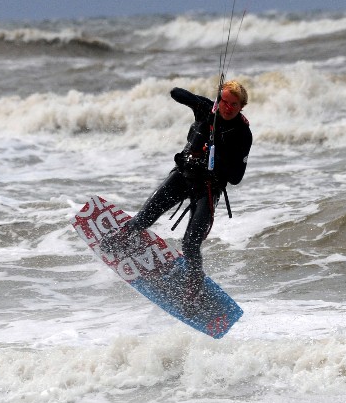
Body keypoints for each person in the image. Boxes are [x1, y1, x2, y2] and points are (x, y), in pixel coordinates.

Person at [102, 79, 252, 304]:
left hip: (208, 190)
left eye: (234, 104)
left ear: (241, 107)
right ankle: (121, 240)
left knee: (191, 243)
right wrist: (203, 103)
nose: (228, 107)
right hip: (182, 178)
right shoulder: (206, 109)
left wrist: (218, 154)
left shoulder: (242, 133)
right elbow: (176, 93)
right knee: (143, 218)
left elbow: (237, 178)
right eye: (224, 101)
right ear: (219, 99)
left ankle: (194, 284)